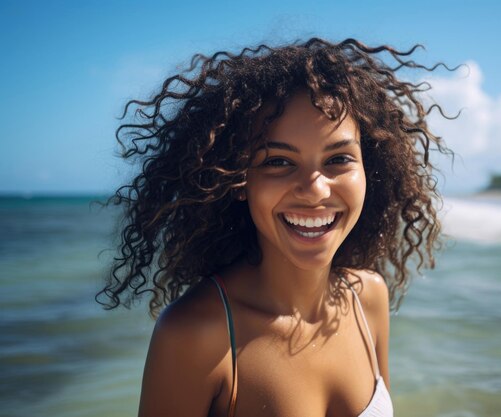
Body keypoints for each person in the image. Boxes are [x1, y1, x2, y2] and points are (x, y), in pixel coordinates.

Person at [98, 37, 448, 417]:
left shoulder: (368, 299)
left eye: (339, 159)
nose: (315, 189)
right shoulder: (196, 335)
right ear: (237, 180)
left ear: (369, 170)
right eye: (278, 162)